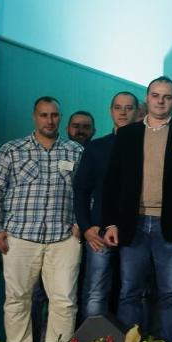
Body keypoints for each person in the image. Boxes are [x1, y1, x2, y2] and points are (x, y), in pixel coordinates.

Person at [102, 77, 172, 342]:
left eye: (167, 96)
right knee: (129, 292)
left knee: (171, 293)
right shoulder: (128, 133)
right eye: (156, 95)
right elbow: (113, 182)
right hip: (131, 222)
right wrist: (110, 223)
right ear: (147, 99)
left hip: (170, 225)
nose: (161, 101)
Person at [0, 96, 84, 342]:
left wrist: (81, 222)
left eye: (54, 115)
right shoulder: (11, 150)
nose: (49, 120)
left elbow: (87, 193)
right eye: (44, 115)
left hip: (64, 239)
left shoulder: (75, 151)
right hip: (19, 236)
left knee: (64, 302)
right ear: (34, 117)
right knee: (17, 299)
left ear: (60, 117)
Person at [73, 91, 138, 319]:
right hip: (98, 230)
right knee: (95, 292)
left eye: (128, 108)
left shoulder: (147, 146)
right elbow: (81, 190)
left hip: (136, 231)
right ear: (111, 111)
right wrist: (86, 226)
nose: (123, 112)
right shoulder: (96, 147)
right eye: (118, 107)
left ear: (137, 112)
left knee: (132, 293)